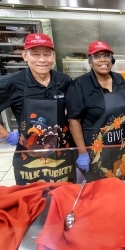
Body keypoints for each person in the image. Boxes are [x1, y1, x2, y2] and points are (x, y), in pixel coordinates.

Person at [0, 33, 75, 184]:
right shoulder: (11, 83)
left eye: (47, 54)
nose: (42, 60)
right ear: (24, 56)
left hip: (62, 151)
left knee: (63, 196)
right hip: (28, 153)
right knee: (33, 198)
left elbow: (73, 113)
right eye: (35, 54)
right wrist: (6, 135)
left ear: (53, 57)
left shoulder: (64, 81)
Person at [65, 41, 125, 181]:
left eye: (106, 56)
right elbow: (74, 120)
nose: (103, 60)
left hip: (120, 147)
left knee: (121, 184)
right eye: (97, 56)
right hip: (96, 152)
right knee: (99, 191)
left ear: (111, 60)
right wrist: (82, 152)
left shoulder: (119, 79)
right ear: (90, 62)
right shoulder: (80, 84)